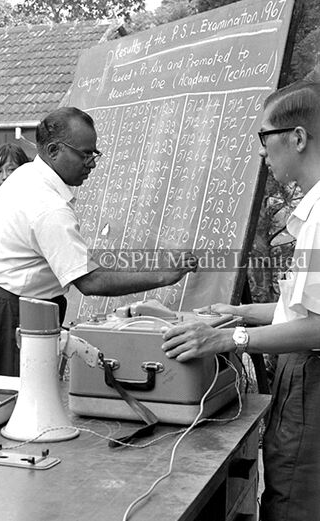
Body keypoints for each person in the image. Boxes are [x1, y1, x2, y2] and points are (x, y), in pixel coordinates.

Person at [161, 80, 320, 521]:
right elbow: (303, 309)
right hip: (300, 372)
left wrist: (229, 338)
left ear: (298, 137)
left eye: (264, 138)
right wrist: (238, 311)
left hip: (311, 378)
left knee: (295, 500)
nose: (261, 152)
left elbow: (318, 328)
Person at [0, 107, 196, 376]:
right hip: (12, 309)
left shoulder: (28, 176)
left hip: (9, 303)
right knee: (22, 398)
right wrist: (163, 276)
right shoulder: (48, 206)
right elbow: (90, 281)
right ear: (54, 150)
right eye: (84, 154)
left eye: (95, 153)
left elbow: (77, 262)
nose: (92, 163)